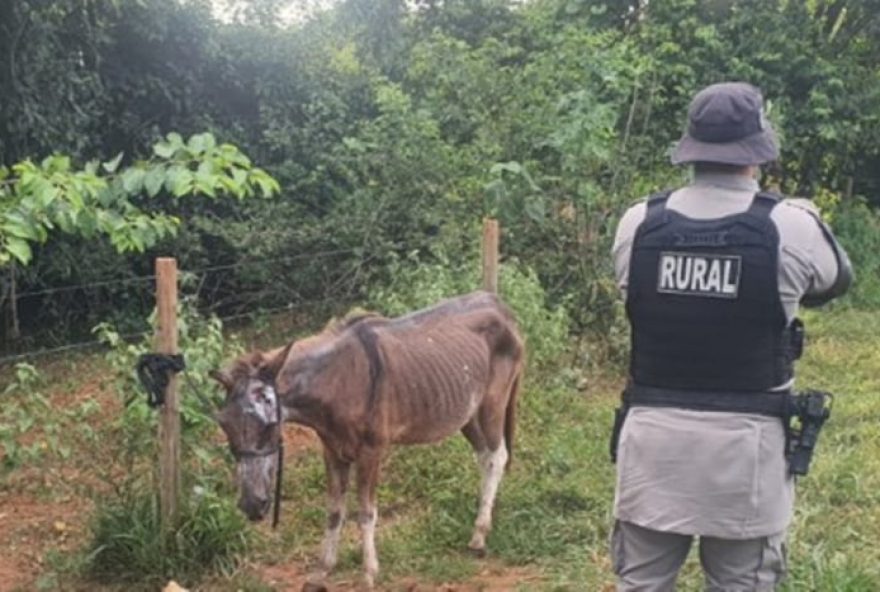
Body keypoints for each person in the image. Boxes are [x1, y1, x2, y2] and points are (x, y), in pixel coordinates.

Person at [609, 82, 853, 591]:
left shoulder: (639, 221)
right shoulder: (792, 225)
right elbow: (834, 281)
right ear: (758, 149)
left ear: (691, 147)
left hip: (652, 449)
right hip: (748, 456)